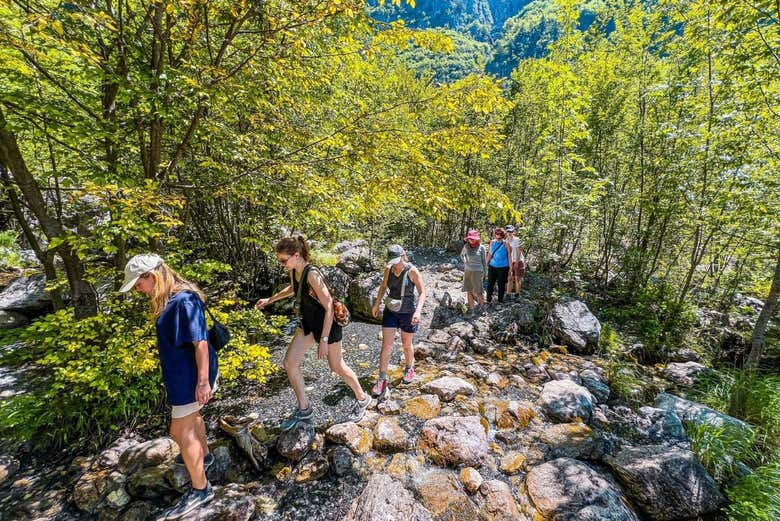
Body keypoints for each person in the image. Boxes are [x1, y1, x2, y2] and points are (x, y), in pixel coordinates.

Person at [120, 254, 218, 520]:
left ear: (151, 276)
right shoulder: (170, 299)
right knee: (192, 419)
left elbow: (200, 343)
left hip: (191, 377)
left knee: (179, 429)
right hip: (182, 375)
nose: (138, 290)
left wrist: (202, 382)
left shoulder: (183, 300)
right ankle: (205, 457)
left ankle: (202, 489)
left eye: (138, 284)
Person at [255, 236, 371, 430]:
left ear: (296, 255)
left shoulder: (312, 274)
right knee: (289, 363)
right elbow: (293, 289)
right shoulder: (295, 271)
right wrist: (270, 299)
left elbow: (329, 308)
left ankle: (362, 398)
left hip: (327, 325)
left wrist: (324, 340)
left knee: (337, 367)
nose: (282, 264)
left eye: (284, 260)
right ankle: (304, 409)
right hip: (308, 324)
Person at [371, 245, 426, 398]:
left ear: (403, 256)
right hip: (391, 311)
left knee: (406, 344)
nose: (395, 263)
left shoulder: (412, 271)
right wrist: (377, 304)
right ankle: (382, 378)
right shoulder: (389, 269)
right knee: (386, 345)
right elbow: (383, 287)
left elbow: (422, 293)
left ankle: (409, 368)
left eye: (397, 260)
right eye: (392, 261)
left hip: (408, 313)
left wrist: (418, 311)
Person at [460, 230, 486, 311]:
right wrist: (465, 262)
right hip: (468, 271)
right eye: (469, 239)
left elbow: (484, 262)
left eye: (472, 239)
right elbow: (462, 255)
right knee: (469, 290)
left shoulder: (482, 248)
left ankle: (482, 308)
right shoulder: (466, 247)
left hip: (478, 271)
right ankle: (472, 309)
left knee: (478, 292)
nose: (470, 240)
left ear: (477, 239)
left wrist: (485, 273)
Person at [485, 227, 512, 305]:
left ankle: (500, 301)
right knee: (490, 284)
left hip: (503, 267)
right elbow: (490, 254)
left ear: (503, 235)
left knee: (501, 285)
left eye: (500, 234)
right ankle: (488, 300)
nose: (498, 235)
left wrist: (511, 268)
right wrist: (485, 264)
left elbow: (509, 256)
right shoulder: (492, 242)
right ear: (495, 234)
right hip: (492, 266)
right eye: (496, 233)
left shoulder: (506, 243)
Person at [505, 225, 525, 300]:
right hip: (511, 261)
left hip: (519, 261)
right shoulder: (506, 240)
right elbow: (509, 253)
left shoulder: (517, 240)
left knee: (517, 278)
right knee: (510, 277)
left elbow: (519, 251)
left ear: (513, 232)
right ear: (506, 232)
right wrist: (510, 265)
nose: (509, 233)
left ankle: (517, 295)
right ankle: (508, 294)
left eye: (511, 231)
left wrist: (516, 262)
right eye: (508, 231)